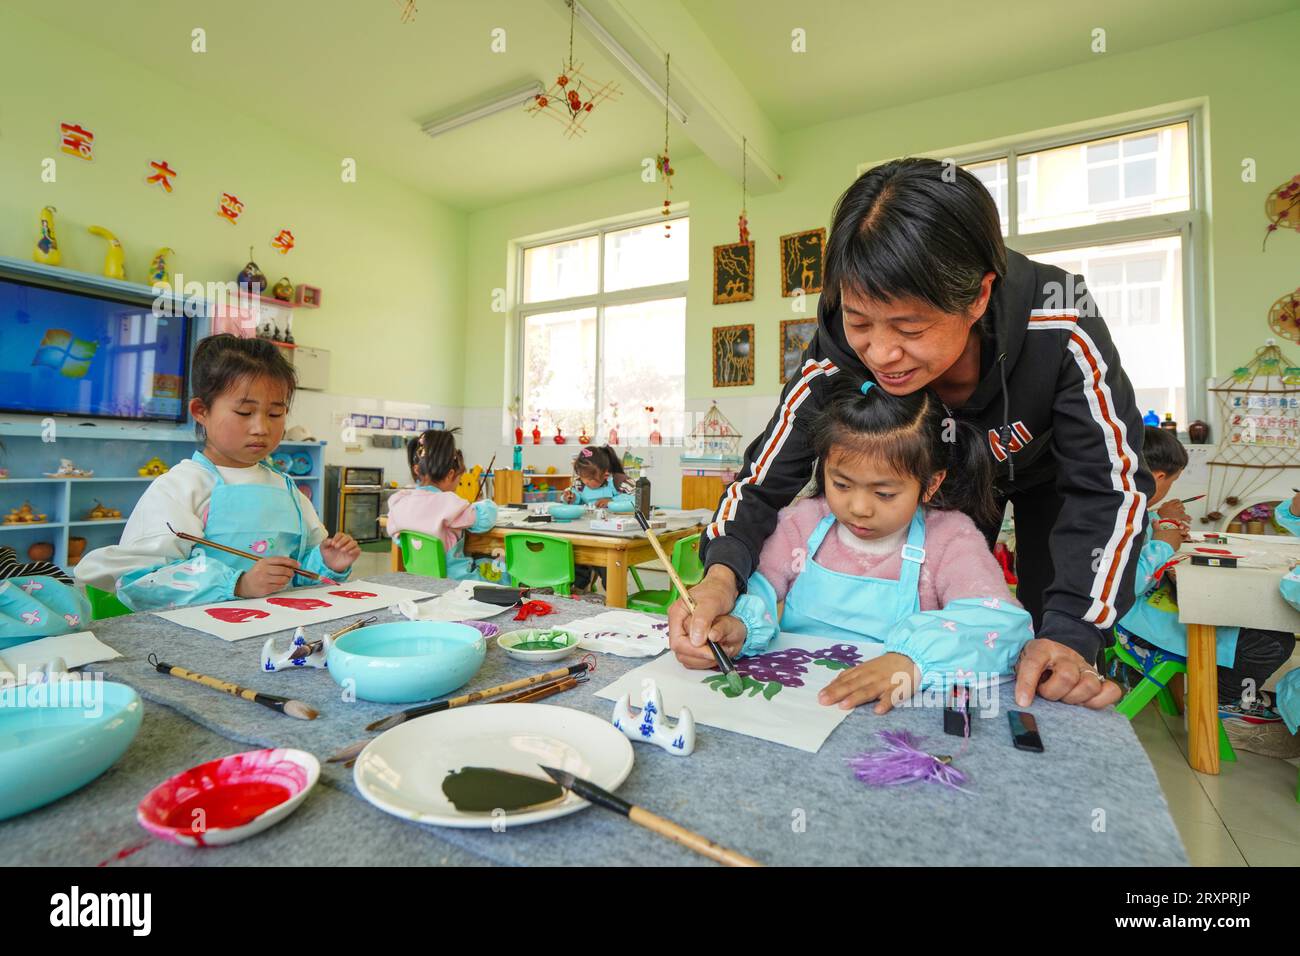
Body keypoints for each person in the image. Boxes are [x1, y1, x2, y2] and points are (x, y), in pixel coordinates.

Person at [674, 157, 1154, 710]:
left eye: (909, 328)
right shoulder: (836, 347)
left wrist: (1073, 633)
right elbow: (765, 477)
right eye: (860, 323)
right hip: (929, 483)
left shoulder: (1060, 316)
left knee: (1048, 655)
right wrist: (720, 577)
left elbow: (1110, 485)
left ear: (977, 297)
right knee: (930, 636)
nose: (880, 353)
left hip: (1049, 481)